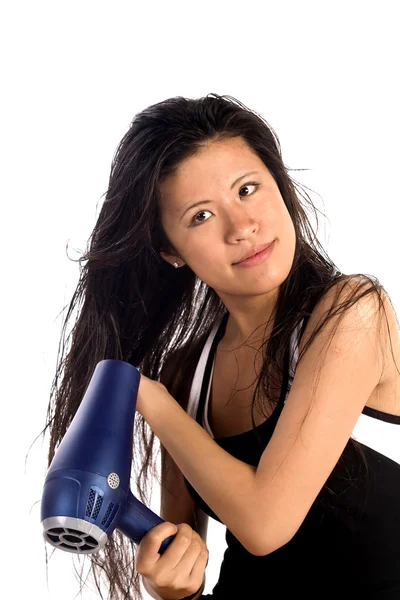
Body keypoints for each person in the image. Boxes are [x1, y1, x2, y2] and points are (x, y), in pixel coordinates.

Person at [44, 93, 400, 599]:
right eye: (200, 217)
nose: (243, 227)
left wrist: (152, 402)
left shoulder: (353, 313)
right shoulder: (188, 373)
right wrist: (174, 585)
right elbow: (186, 554)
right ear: (170, 250)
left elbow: (263, 523)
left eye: (248, 189)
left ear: (280, 185)